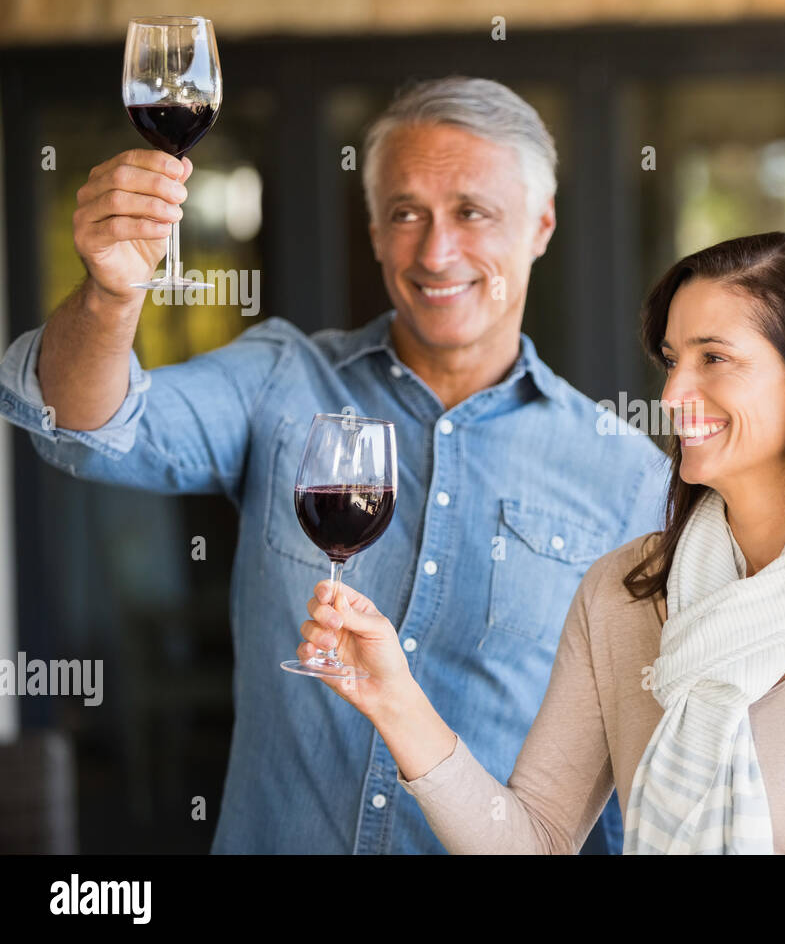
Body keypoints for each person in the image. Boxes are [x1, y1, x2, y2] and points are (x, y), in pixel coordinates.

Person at [0, 76, 668, 853]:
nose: (435, 250)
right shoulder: (282, 380)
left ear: (541, 225)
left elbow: (626, 773)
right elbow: (84, 424)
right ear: (376, 231)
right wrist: (112, 297)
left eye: (472, 213)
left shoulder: (627, 478)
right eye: (405, 213)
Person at [295, 231, 785, 853]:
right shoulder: (624, 591)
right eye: (672, 359)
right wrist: (394, 700)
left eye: (714, 358)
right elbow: (534, 838)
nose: (672, 396)